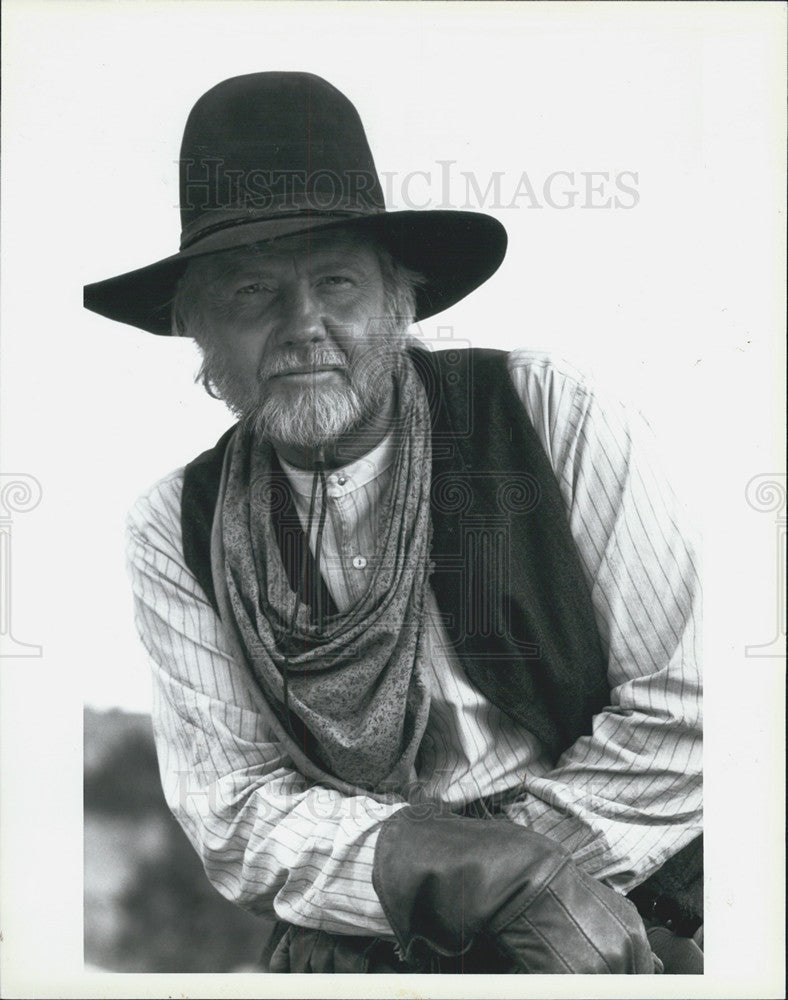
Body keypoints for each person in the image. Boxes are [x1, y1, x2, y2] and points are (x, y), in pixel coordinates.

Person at [84, 72, 703, 974]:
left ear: (399, 302)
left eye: (336, 281)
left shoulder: (546, 413)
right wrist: (460, 878)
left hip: (627, 904)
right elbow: (235, 810)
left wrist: (517, 876)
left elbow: (689, 712)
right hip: (374, 943)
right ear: (199, 334)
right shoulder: (174, 526)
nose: (303, 326)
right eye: (252, 293)